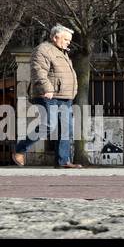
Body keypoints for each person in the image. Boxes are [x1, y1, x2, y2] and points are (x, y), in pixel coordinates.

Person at [13, 24, 81, 168]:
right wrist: (47, 88)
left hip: (64, 96)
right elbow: (38, 71)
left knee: (65, 129)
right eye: (66, 39)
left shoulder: (62, 52)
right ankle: (20, 149)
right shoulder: (43, 50)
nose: (69, 42)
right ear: (55, 37)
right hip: (48, 95)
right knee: (48, 125)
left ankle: (63, 162)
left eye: (69, 40)